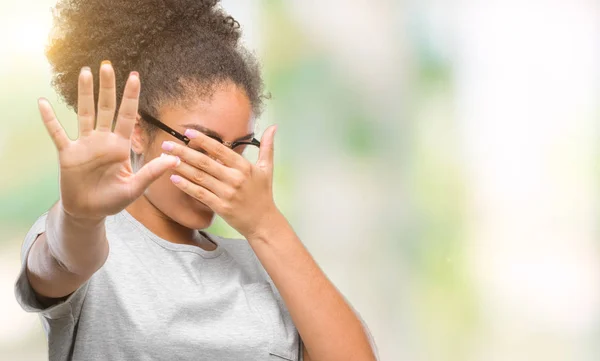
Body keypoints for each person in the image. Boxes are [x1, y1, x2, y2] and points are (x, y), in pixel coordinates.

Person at [14, 1, 378, 360]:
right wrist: (79, 219)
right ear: (139, 132)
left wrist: (266, 223)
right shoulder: (91, 240)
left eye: (238, 147)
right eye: (201, 144)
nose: (222, 167)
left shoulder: (263, 264)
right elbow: (61, 263)